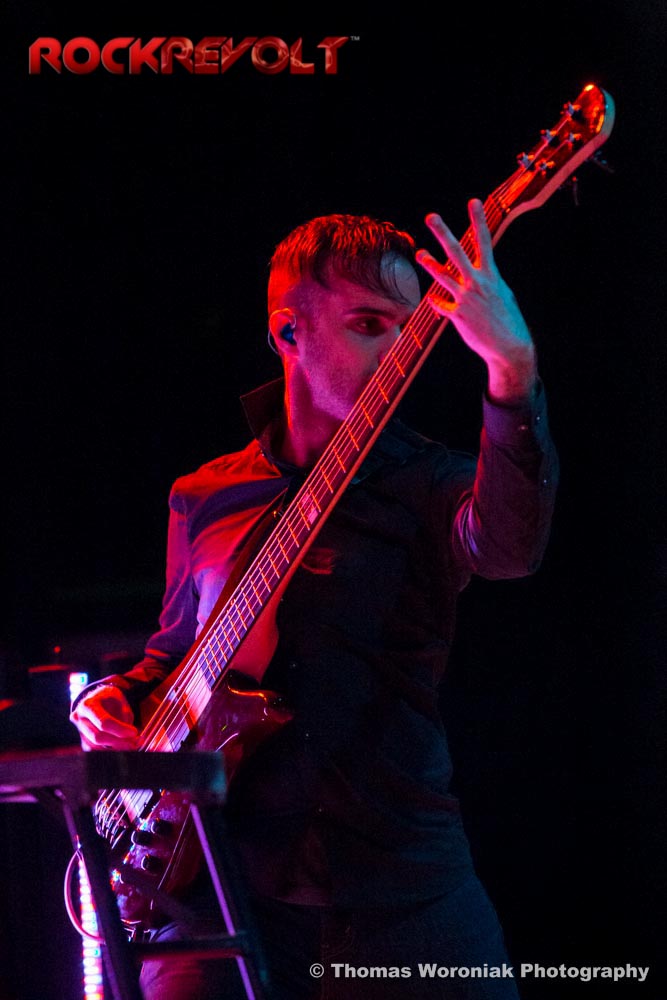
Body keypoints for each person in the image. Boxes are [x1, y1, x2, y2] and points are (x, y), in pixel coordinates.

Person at [71, 199, 559, 999]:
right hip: (219, 888)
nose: (400, 353)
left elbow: (509, 550)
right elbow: (173, 655)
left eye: (412, 330)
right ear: (288, 331)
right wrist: (108, 700)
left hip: (401, 891)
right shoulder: (204, 494)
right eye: (369, 325)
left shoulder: (427, 480)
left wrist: (511, 370)